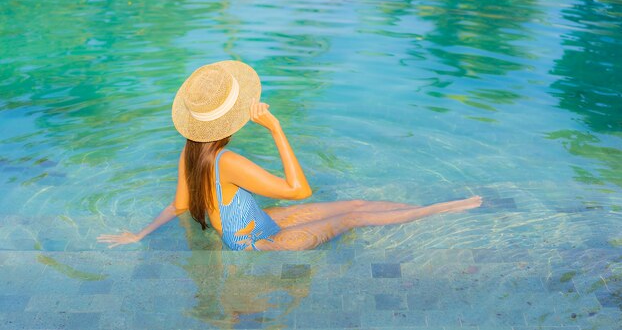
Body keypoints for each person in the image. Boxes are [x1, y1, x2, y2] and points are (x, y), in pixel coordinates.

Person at [97, 60, 482, 251]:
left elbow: (181, 204)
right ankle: (442, 210)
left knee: (354, 203)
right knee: (352, 216)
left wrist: (139, 235)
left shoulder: (190, 154)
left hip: (252, 227)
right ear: (228, 121)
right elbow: (300, 190)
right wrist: (276, 129)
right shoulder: (227, 161)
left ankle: (429, 207)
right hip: (259, 244)